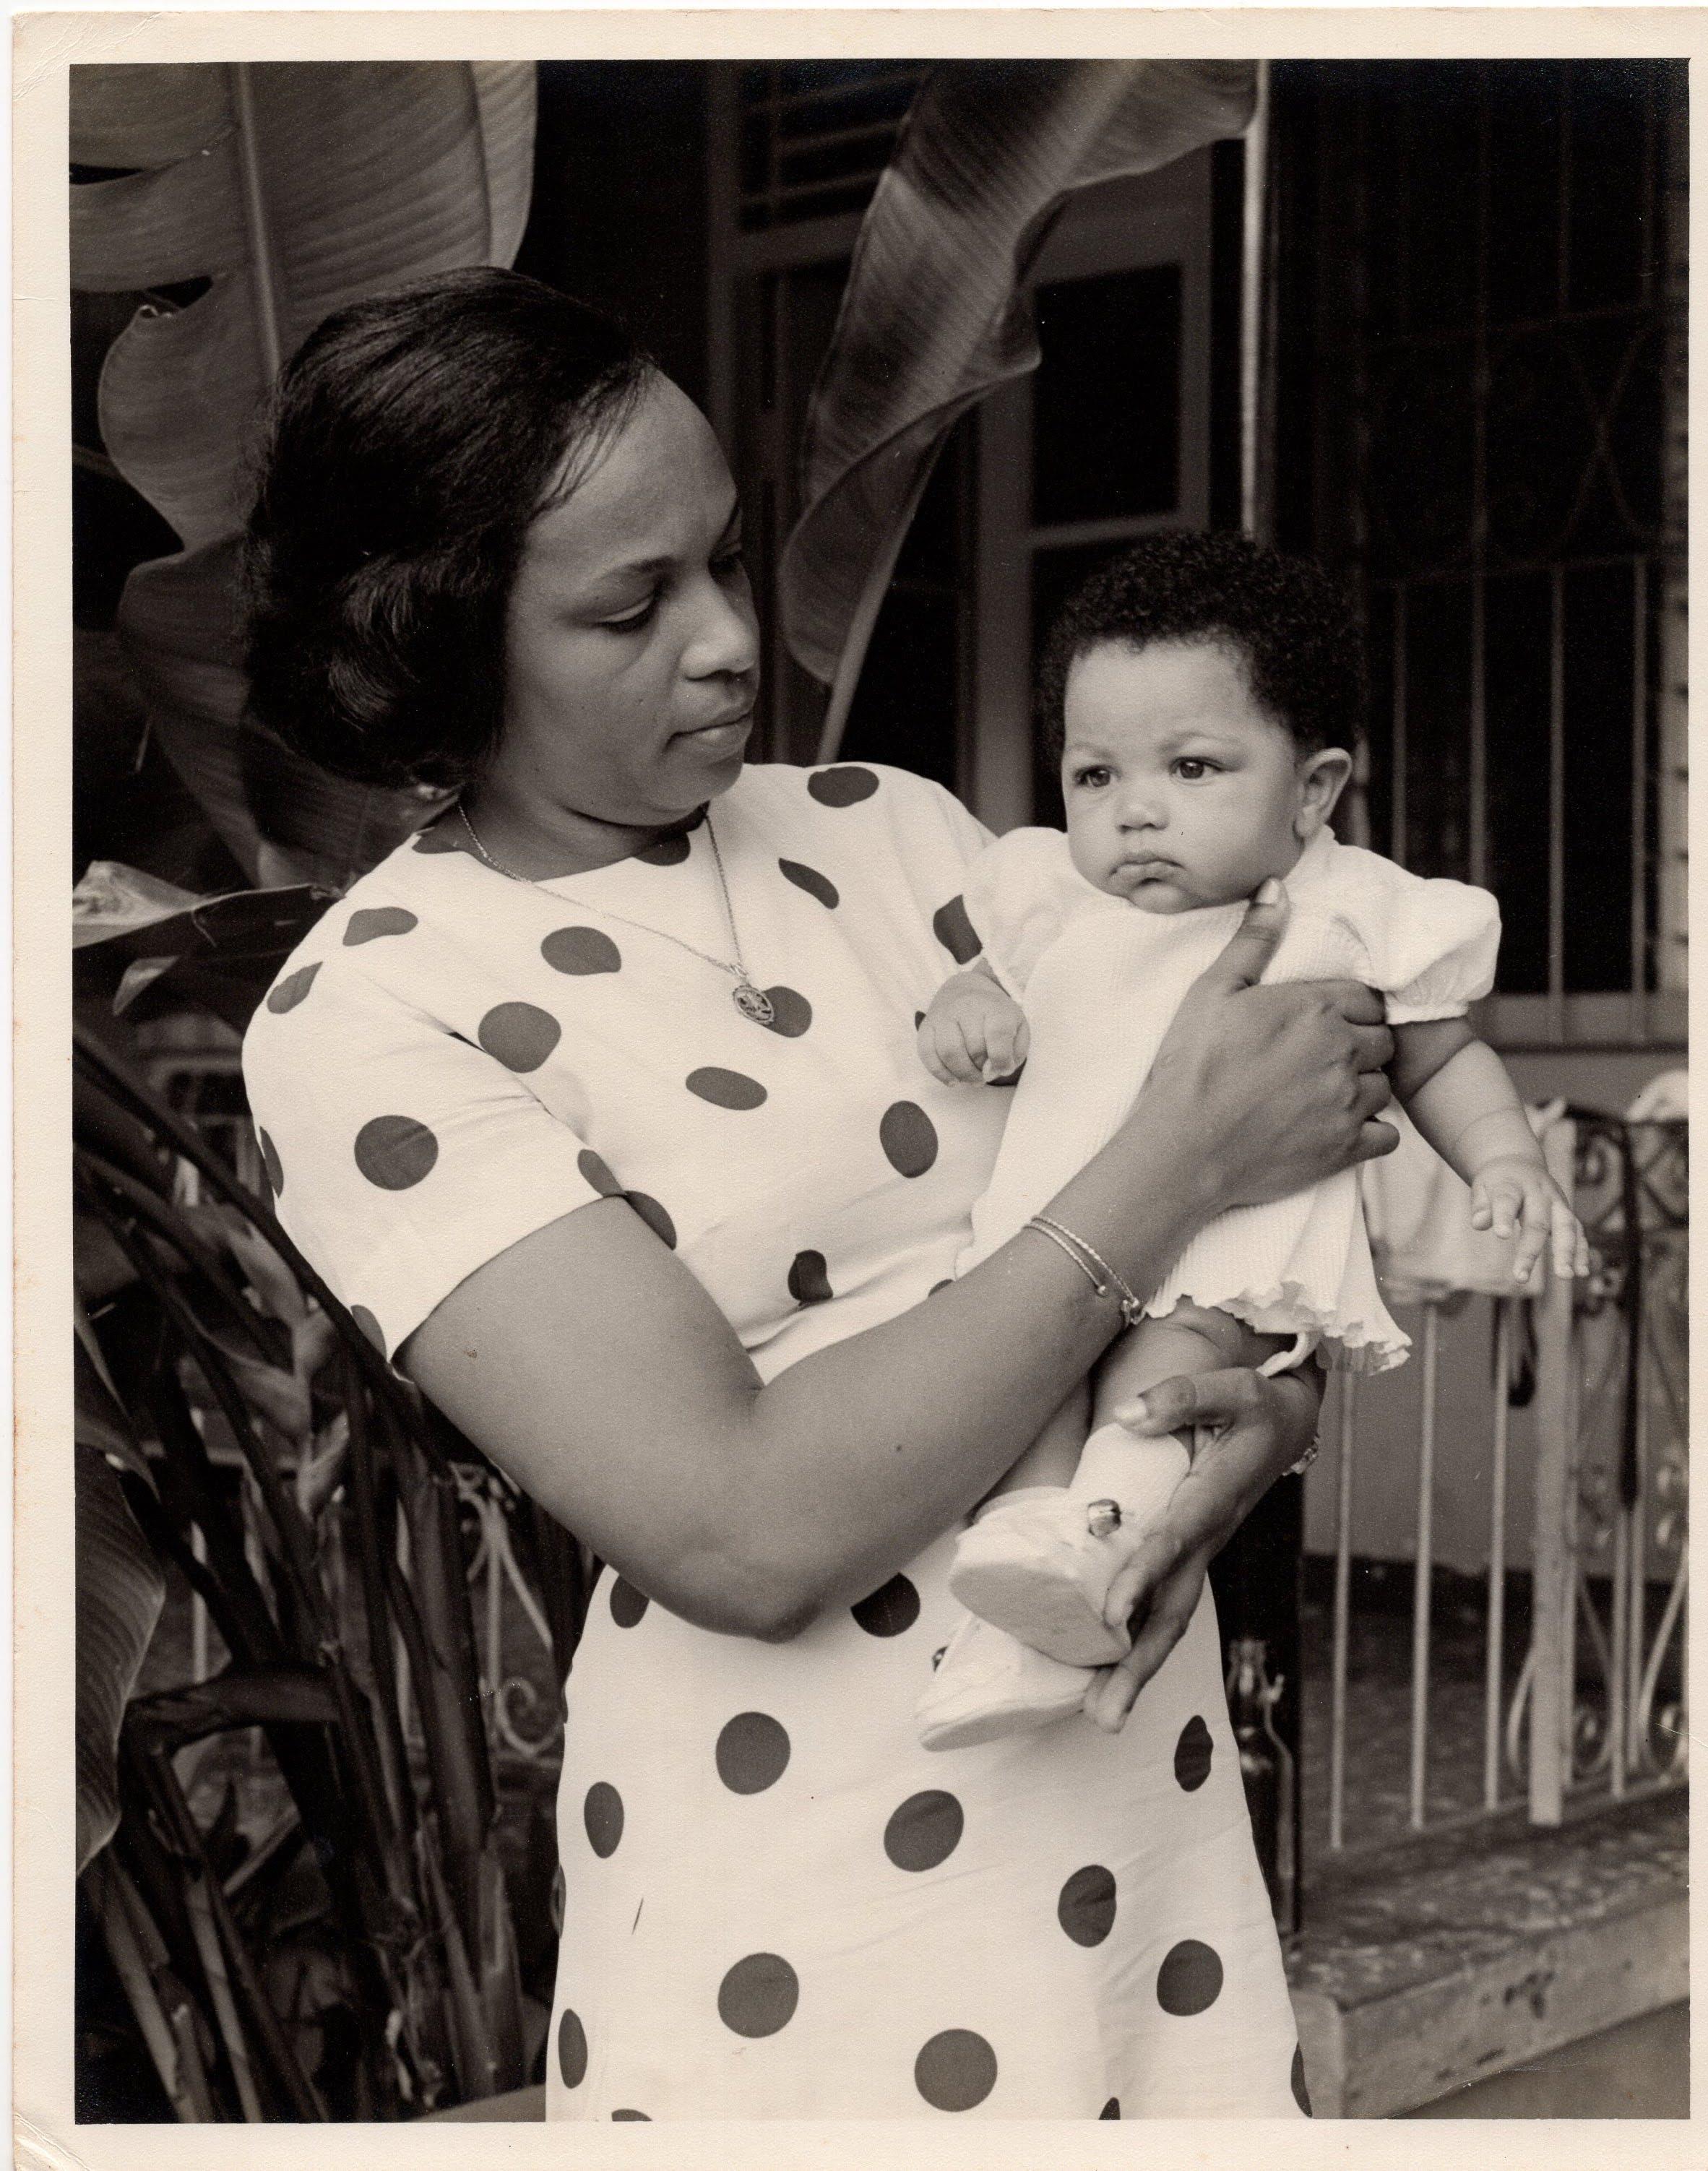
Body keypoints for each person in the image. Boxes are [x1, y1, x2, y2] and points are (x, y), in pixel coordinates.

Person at [241, 267, 1397, 2121]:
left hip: (1135, 1816)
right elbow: (744, 1529)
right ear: (442, 645)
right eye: (632, 603)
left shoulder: (899, 829)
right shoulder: (373, 1012)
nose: (723, 639)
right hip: (803, 1874)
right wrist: (1168, 1157)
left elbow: (1250, 1206)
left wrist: (1264, 1416)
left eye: (724, 558)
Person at [914, 535, 1586, 1748]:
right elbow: (981, 977)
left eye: (1191, 766)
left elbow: (1442, 1055)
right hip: (1055, 1239)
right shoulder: (1053, 897)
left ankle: (1089, 1572)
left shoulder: (1352, 911)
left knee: (1150, 1398)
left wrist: (1506, 1160)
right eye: (1094, 775)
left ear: (1314, 790)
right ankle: (1017, 1608)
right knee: (1026, 1401)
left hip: (1227, 1257)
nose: (1137, 811)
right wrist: (967, 1011)